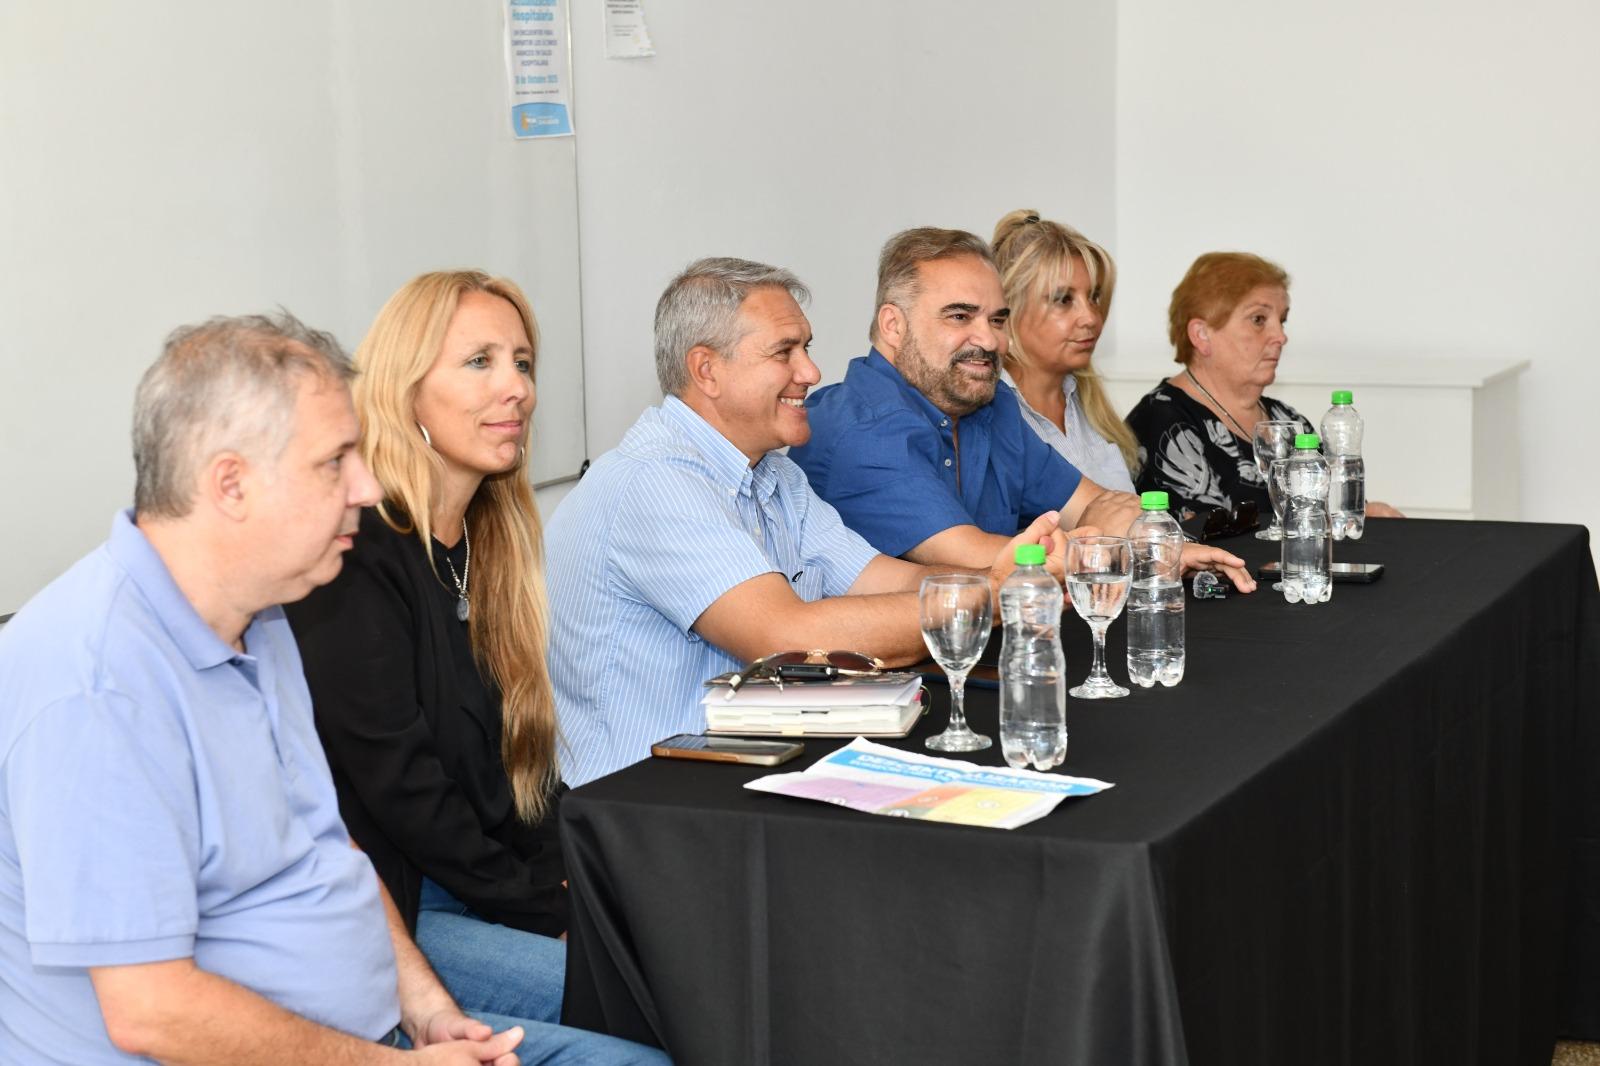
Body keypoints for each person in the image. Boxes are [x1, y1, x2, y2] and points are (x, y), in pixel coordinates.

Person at [0, 312, 554, 1063]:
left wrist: (426, 1009)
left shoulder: (260, 615)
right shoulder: (96, 682)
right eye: (335, 462)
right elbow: (150, 1011)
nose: (366, 486)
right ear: (230, 483)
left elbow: (332, 848)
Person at [285, 274, 667, 1064]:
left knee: (688, 956)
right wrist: (544, 906)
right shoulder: (356, 554)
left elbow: (519, 778)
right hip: (399, 907)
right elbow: (403, 788)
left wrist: (581, 880)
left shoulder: (488, 549)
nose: (516, 389)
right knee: (656, 992)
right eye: (480, 363)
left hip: (478, 886)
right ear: (405, 390)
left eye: (523, 363)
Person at [544, 257, 1065, 785]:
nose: (811, 373)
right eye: (784, 352)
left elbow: (885, 581)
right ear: (707, 370)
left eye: (807, 348)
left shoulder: (776, 476)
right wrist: (995, 595)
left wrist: (1008, 576)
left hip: (742, 775)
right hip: (644, 804)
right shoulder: (653, 482)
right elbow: (785, 634)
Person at [788, 227, 1251, 581]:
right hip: (886, 687)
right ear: (893, 325)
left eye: (997, 319)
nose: (988, 339)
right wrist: (1126, 548)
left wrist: (1157, 543)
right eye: (959, 316)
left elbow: (1098, 503)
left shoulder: (992, 406)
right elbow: (980, 558)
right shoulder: (858, 424)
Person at [1125, 251, 1404, 522]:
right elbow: (1195, 541)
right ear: (1201, 334)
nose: (1281, 336)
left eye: (1282, 320)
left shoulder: (1287, 420)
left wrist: (1365, 514)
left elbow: (1327, 512)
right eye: (1259, 320)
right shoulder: (1162, 423)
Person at [990, 209, 1137, 493]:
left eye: (1094, 297)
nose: (1091, 317)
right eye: (1064, 299)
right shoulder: (988, 416)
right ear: (1008, 309)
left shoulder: (1089, 405)